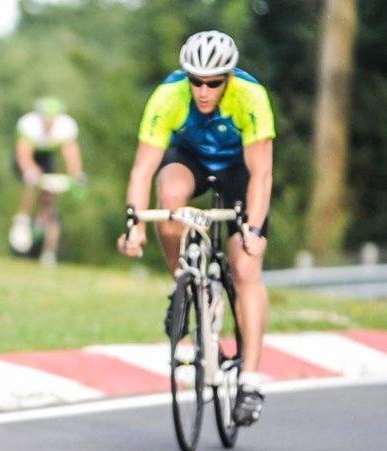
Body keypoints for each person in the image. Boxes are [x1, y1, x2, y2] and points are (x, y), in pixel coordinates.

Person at [117, 30, 275, 426]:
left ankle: (251, 380)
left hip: (240, 168)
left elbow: (263, 173)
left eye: (214, 82)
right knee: (168, 195)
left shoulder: (251, 96)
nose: (204, 91)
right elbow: (142, 169)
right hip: (191, 160)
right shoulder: (168, 95)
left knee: (245, 269)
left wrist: (254, 230)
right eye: (196, 80)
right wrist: (133, 223)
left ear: (229, 77)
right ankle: (182, 284)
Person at [9, 96, 86, 265]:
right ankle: (23, 218)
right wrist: (29, 170)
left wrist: (76, 173)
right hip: (30, 155)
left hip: (47, 157)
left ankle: (43, 229)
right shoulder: (29, 125)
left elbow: (71, 153)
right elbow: (24, 154)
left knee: (49, 197)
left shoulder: (65, 127)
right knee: (29, 183)